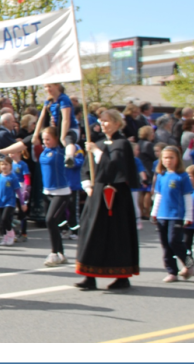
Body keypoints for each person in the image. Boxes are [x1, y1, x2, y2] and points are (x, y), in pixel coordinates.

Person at [74, 110, 141, 292]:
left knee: (116, 235)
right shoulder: (100, 142)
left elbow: (114, 166)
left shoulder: (122, 143)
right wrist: (87, 183)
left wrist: (96, 151)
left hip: (116, 197)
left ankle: (122, 276)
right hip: (96, 195)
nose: (103, 124)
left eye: (107, 121)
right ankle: (89, 275)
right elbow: (88, 167)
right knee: (92, 233)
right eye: (101, 121)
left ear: (117, 123)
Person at [150, 145, 194, 283]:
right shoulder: (161, 176)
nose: (168, 160)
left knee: (174, 241)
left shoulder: (182, 176)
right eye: (165, 158)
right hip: (162, 215)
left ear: (177, 159)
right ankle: (172, 271)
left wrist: (189, 216)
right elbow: (158, 196)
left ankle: (188, 262)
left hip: (177, 215)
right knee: (165, 245)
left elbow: (187, 197)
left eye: (171, 157)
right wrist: (154, 213)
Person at [39, 126, 71, 267]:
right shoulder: (44, 151)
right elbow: (33, 139)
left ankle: (54, 253)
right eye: (44, 139)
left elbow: (68, 141)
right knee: (53, 224)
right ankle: (61, 254)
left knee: (50, 220)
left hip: (61, 192)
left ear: (56, 139)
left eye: (48, 139)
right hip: (47, 192)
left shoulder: (60, 152)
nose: (45, 141)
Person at [36, 83, 81, 169]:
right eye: (45, 87)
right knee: (36, 137)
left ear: (57, 86)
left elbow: (66, 120)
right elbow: (41, 118)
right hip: (57, 128)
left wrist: (62, 137)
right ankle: (4, 151)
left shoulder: (64, 99)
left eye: (49, 86)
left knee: (68, 140)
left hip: (70, 128)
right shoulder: (49, 101)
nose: (47, 89)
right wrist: (35, 135)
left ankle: (69, 157)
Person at [0, 157, 22, 246]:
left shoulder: (13, 177)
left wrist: (22, 203)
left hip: (10, 202)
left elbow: (18, 191)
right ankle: (5, 236)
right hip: (1, 202)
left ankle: (11, 234)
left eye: (6, 164)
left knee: (5, 218)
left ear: (10, 166)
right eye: (2, 164)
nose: (4, 166)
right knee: (2, 221)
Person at [10, 151, 31, 243]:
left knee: (22, 213)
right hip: (11, 189)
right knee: (10, 212)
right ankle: (13, 233)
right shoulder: (9, 163)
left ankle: (23, 233)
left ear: (19, 153)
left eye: (13, 152)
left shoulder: (23, 164)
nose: (11, 154)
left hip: (21, 189)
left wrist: (26, 190)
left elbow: (27, 178)